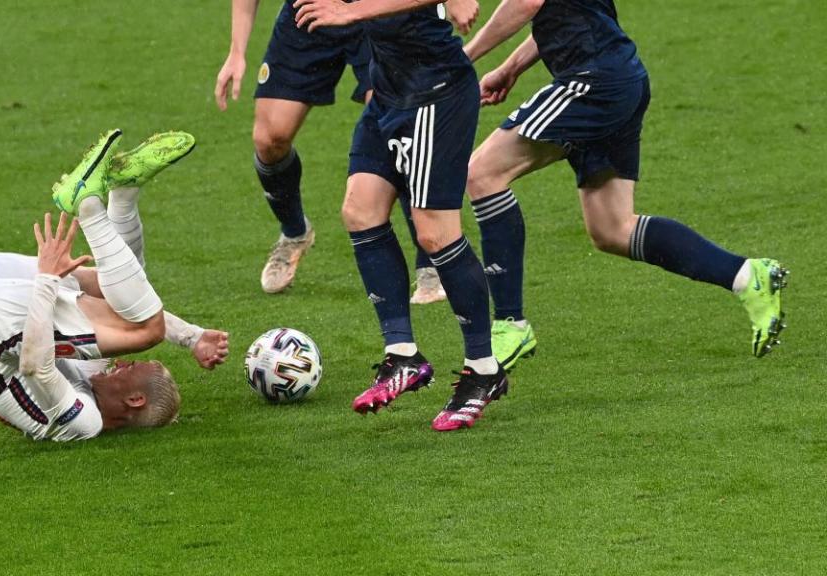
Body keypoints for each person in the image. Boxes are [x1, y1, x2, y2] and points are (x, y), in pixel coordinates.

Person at [458, 0, 787, 363]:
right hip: (620, 76)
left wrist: (464, 57)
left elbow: (527, 2)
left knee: (483, 173)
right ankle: (747, 276)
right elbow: (563, 11)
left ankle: (510, 323)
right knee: (613, 229)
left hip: (591, 83)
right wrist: (511, 67)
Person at [293, 0, 506, 432]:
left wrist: (353, 12)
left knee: (435, 233)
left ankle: (484, 367)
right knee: (360, 210)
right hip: (389, 89)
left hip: (435, 93)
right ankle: (404, 356)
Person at [0, 131, 230, 441]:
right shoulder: (94, 383)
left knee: (148, 329)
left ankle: (87, 203)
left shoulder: (85, 423)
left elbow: (34, 367)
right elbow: (124, 303)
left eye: (129, 367)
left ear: (135, 400)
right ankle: (123, 190)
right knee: (120, 296)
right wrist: (192, 337)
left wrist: (47, 280)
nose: (119, 362)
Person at [214, 0, 479, 302]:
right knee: (269, 137)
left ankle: (429, 260)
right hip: (309, 10)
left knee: (392, 123)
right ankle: (295, 232)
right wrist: (237, 51)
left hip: (377, 12)